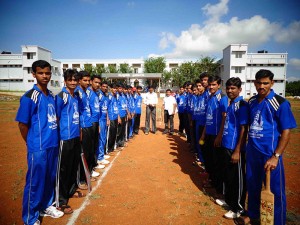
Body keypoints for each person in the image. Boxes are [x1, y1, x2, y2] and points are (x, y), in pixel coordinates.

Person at [239, 70, 297, 225]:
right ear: (254, 83)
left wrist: (276, 156)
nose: (261, 86)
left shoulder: (280, 103)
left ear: (272, 83)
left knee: (276, 192)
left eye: (265, 83)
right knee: (253, 186)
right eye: (259, 83)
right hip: (253, 153)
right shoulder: (251, 102)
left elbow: (286, 131)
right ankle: (253, 214)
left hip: (269, 154)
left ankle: (278, 222)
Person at [16, 60, 63, 225]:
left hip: (52, 144)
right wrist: (31, 143)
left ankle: (46, 206)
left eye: (47, 73)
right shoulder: (30, 97)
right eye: (41, 73)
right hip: (38, 147)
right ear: (34, 74)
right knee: (35, 182)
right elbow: (22, 124)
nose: (45, 76)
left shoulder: (51, 96)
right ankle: (30, 217)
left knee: (49, 178)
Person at [218, 77, 248, 219]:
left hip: (235, 148)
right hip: (226, 144)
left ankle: (238, 208)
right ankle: (230, 201)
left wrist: (237, 150)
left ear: (239, 90)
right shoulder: (231, 104)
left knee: (237, 179)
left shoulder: (241, 105)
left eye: (233, 88)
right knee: (228, 176)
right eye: (228, 88)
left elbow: (243, 128)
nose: (230, 90)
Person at [55, 69, 82, 214]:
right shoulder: (61, 96)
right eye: (70, 80)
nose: (73, 82)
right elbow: (56, 117)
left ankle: (71, 191)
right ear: (65, 80)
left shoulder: (76, 96)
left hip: (75, 136)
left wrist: (79, 132)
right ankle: (60, 200)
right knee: (63, 169)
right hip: (64, 138)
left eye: (75, 80)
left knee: (72, 166)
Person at [200, 75, 228, 197]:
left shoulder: (222, 98)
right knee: (210, 160)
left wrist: (219, 136)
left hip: (217, 135)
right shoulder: (210, 97)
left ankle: (220, 189)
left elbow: (225, 118)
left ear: (219, 85)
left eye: (214, 85)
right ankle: (212, 181)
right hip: (209, 134)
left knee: (218, 162)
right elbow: (208, 118)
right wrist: (203, 134)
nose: (211, 87)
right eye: (210, 84)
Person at [75, 71, 100, 188]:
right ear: (79, 80)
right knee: (83, 153)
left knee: (89, 152)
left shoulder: (85, 92)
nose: (87, 82)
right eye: (85, 80)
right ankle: (81, 179)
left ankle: (87, 174)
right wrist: (79, 127)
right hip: (83, 126)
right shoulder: (77, 92)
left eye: (88, 80)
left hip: (89, 124)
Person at [86, 75, 102, 170]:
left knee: (95, 144)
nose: (98, 84)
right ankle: (90, 168)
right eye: (96, 82)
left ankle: (94, 164)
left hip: (96, 122)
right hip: (90, 123)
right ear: (91, 81)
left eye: (99, 83)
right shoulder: (87, 92)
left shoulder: (96, 93)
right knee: (90, 146)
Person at [96, 80, 110, 167]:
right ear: (101, 86)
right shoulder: (99, 95)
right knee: (100, 139)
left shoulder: (106, 95)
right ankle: (99, 157)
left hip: (104, 119)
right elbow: (97, 109)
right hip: (100, 120)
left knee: (104, 138)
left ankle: (102, 155)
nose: (105, 88)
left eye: (106, 87)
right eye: (103, 86)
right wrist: (98, 123)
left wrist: (107, 118)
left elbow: (106, 108)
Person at [107, 83, 121, 154]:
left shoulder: (115, 96)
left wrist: (118, 117)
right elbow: (106, 108)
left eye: (116, 88)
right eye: (114, 88)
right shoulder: (109, 96)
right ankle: (108, 149)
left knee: (114, 133)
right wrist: (108, 119)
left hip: (115, 117)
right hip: (111, 117)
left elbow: (117, 107)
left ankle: (112, 148)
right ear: (111, 89)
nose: (115, 90)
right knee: (110, 134)